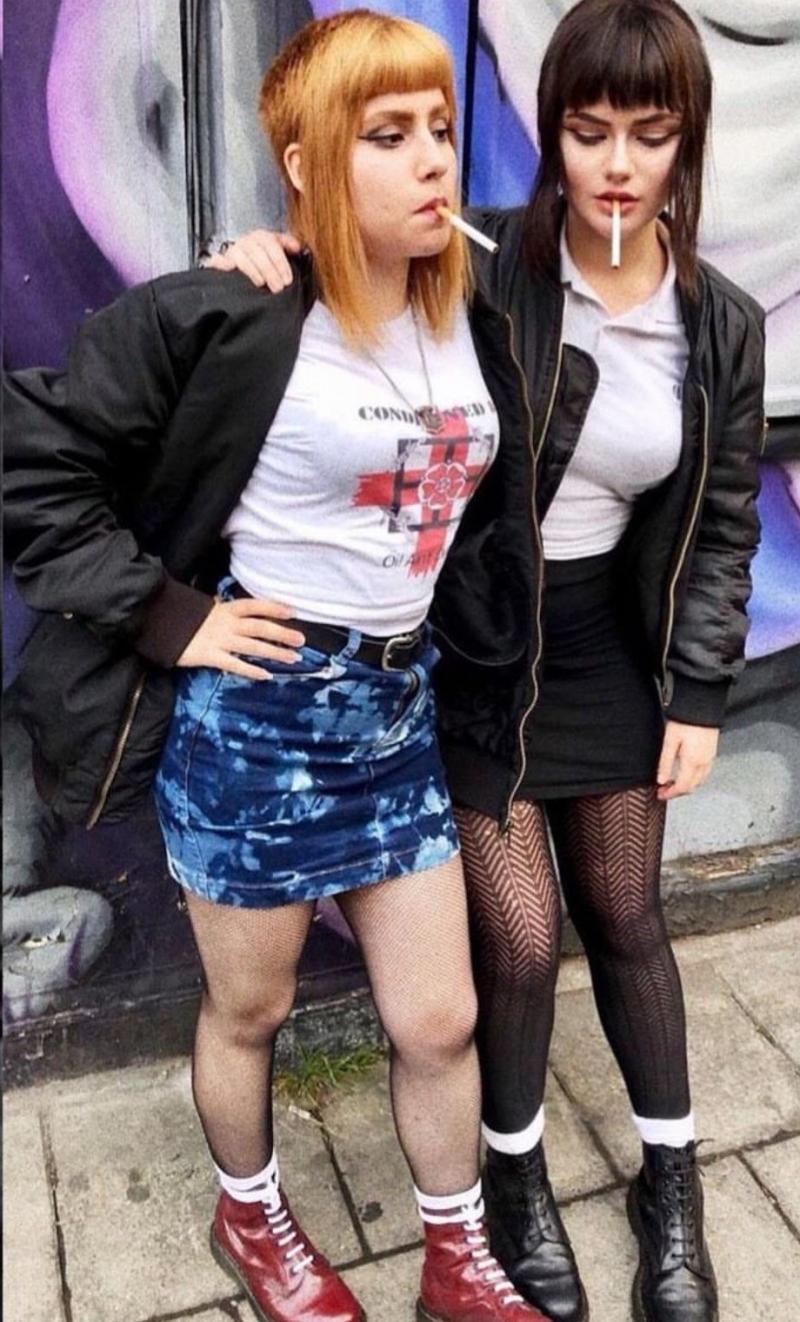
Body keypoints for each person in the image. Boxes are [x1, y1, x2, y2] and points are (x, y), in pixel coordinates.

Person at [209, 3, 766, 1321]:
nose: (617, 163)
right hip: (482, 656)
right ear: (550, 133)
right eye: (587, 130)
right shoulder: (480, 263)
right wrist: (255, 254)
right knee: (516, 938)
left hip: (612, 654)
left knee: (626, 914)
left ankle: (671, 1186)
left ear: (686, 139)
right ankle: (511, 1185)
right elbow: (346, 267)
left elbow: (723, 519)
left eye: (650, 132)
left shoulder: (721, 323)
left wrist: (698, 688)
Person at [4, 12, 553, 1322]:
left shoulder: (471, 307)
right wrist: (166, 614)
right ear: (304, 163)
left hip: (398, 717)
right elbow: (35, 458)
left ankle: (455, 1258)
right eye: (387, 135)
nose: (433, 159)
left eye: (440, 128)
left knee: (439, 1019)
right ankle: (249, 1219)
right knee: (249, 1011)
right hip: (258, 726)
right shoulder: (235, 313)